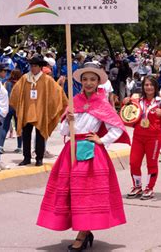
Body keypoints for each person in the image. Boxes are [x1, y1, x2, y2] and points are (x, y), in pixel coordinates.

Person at [36, 63, 130, 251]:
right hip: (70, 151)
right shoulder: (74, 103)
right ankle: (83, 230)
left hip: (90, 153)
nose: (88, 83)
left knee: (87, 195)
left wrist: (101, 140)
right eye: (85, 79)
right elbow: (63, 130)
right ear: (80, 82)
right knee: (71, 192)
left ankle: (83, 232)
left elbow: (116, 127)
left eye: (92, 80)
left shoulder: (102, 104)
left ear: (98, 83)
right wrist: (68, 121)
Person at [10, 56, 68, 166]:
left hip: (41, 112)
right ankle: (26, 157)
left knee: (40, 135)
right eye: (31, 66)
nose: (33, 68)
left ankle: (39, 158)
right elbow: (15, 92)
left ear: (40, 67)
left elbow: (57, 92)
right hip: (27, 111)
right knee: (26, 135)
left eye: (35, 66)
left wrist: (65, 101)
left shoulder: (47, 80)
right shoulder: (24, 78)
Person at [125, 75, 161, 200]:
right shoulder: (138, 101)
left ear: (155, 87)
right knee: (134, 163)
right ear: (143, 87)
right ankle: (137, 186)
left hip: (154, 138)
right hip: (138, 137)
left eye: (151, 85)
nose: (149, 87)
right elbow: (128, 114)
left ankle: (149, 188)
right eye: (146, 85)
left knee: (151, 164)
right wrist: (126, 103)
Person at [0, 68, 23, 154]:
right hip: (18, 108)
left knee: (5, 127)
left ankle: (1, 146)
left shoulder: (6, 83)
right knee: (18, 127)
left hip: (8, 107)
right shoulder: (21, 84)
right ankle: (19, 147)